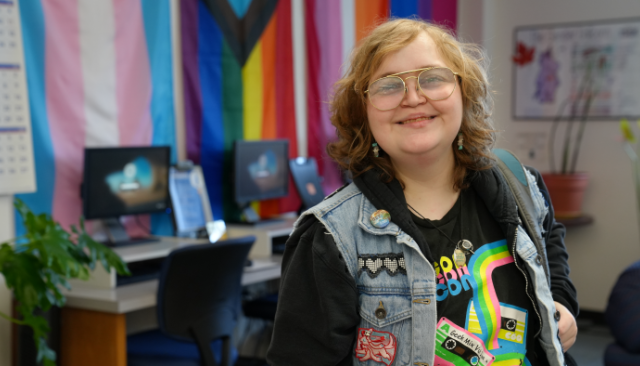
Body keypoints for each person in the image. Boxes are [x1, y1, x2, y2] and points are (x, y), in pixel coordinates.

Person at [267, 18, 578, 366]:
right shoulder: (329, 237)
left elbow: (547, 241)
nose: (413, 98)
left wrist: (562, 303)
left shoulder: (517, 181)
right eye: (388, 86)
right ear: (363, 110)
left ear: (464, 92)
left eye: (432, 78)